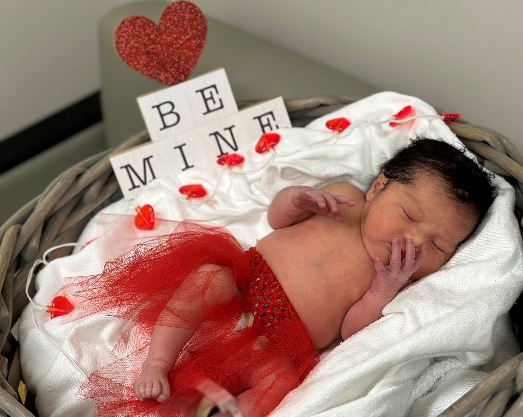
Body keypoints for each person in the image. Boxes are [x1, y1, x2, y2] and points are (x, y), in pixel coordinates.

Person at [62, 138, 497, 417]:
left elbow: (350, 331)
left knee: (279, 382)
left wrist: (383, 289)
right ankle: (158, 362)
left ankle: (218, 413)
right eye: (409, 215)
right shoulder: (343, 200)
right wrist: (297, 199)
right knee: (206, 279)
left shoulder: (393, 280)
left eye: (439, 246)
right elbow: (277, 219)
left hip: (283, 341)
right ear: (379, 187)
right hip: (244, 282)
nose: (415, 241)